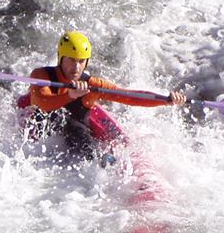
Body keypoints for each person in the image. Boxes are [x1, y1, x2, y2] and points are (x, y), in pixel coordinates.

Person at [23, 30, 187, 161]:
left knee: (78, 133)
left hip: (74, 129)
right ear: (61, 58)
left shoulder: (92, 85)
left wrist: (166, 100)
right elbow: (42, 103)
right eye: (71, 60)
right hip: (42, 127)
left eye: (81, 61)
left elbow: (128, 96)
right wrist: (70, 95)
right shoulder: (41, 75)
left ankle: (102, 162)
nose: (76, 67)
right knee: (60, 122)